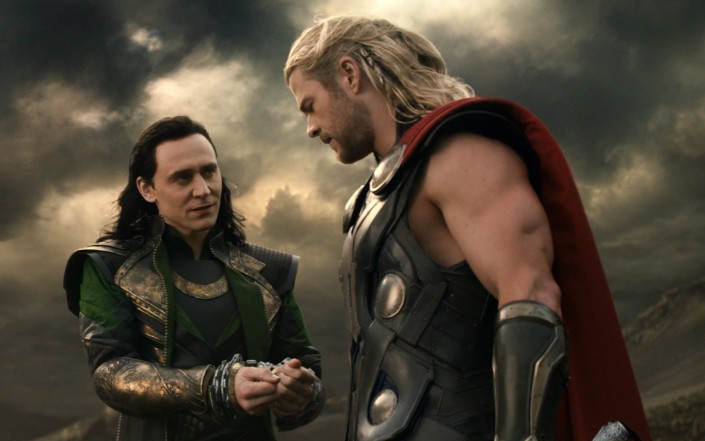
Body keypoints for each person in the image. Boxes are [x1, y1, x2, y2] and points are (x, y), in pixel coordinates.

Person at [284, 16, 651, 441]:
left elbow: (529, 289)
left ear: (349, 74)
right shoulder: (374, 199)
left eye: (309, 106)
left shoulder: (460, 154)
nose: (311, 128)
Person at [63, 116, 325, 441]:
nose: (203, 190)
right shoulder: (109, 267)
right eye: (182, 178)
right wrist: (218, 386)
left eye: (209, 172)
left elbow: (308, 371)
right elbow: (110, 374)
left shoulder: (270, 270)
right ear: (147, 189)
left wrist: (300, 392)